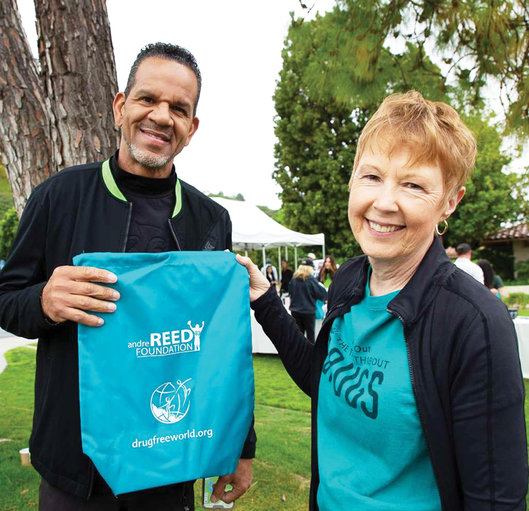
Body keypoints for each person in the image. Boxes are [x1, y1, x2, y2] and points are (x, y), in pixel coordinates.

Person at [237, 91, 527, 510]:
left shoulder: (475, 323)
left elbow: (496, 500)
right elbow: (324, 383)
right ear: (353, 178)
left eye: (413, 184)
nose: (384, 203)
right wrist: (264, 299)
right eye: (372, 176)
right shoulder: (350, 280)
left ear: (450, 201)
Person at [0, 43, 255, 510]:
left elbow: (225, 343)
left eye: (179, 108)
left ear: (191, 128)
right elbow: (6, 298)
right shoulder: (58, 198)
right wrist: (44, 301)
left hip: (170, 462)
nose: (161, 116)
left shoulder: (210, 218)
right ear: (120, 107)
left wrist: (242, 445)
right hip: (75, 471)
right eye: (147, 99)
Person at [288, 259, 327, 344]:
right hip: (308, 311)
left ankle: (298, 354)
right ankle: (310, 355)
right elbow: (321, 294)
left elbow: (290, 292)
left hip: (295, 310)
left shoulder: (293, 280)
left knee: (298, 335)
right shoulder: (310, 280)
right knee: (310, 336)